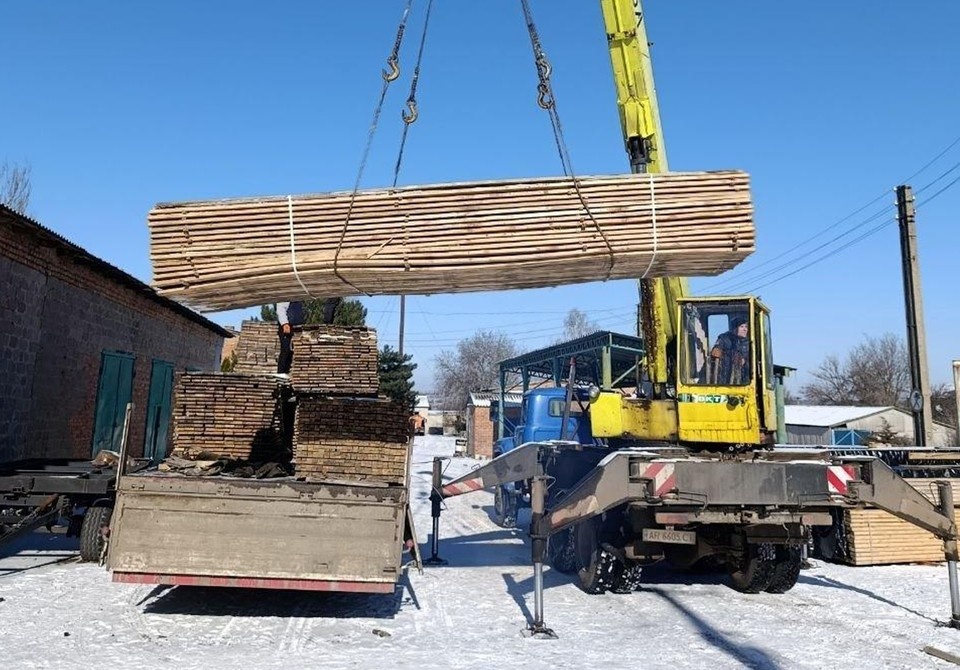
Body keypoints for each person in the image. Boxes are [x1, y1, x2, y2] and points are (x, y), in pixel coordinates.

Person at [709, 317, 750, 385]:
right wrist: (728, 355)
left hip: (744, 380)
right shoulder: (724, 338)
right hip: (724, 376)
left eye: (746, 327)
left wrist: (744, 361)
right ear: (734, 329)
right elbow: (715, 352)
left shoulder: (749, 342)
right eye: (742, 327)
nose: (745, 329)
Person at [275, 300, 305, 376]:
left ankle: (287, 373)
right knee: (285, 350)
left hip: (297, 327)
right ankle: (281, 374)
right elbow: (280, 309)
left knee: (292, 352)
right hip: (287, 326)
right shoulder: (286, 296)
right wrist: (285, 323)